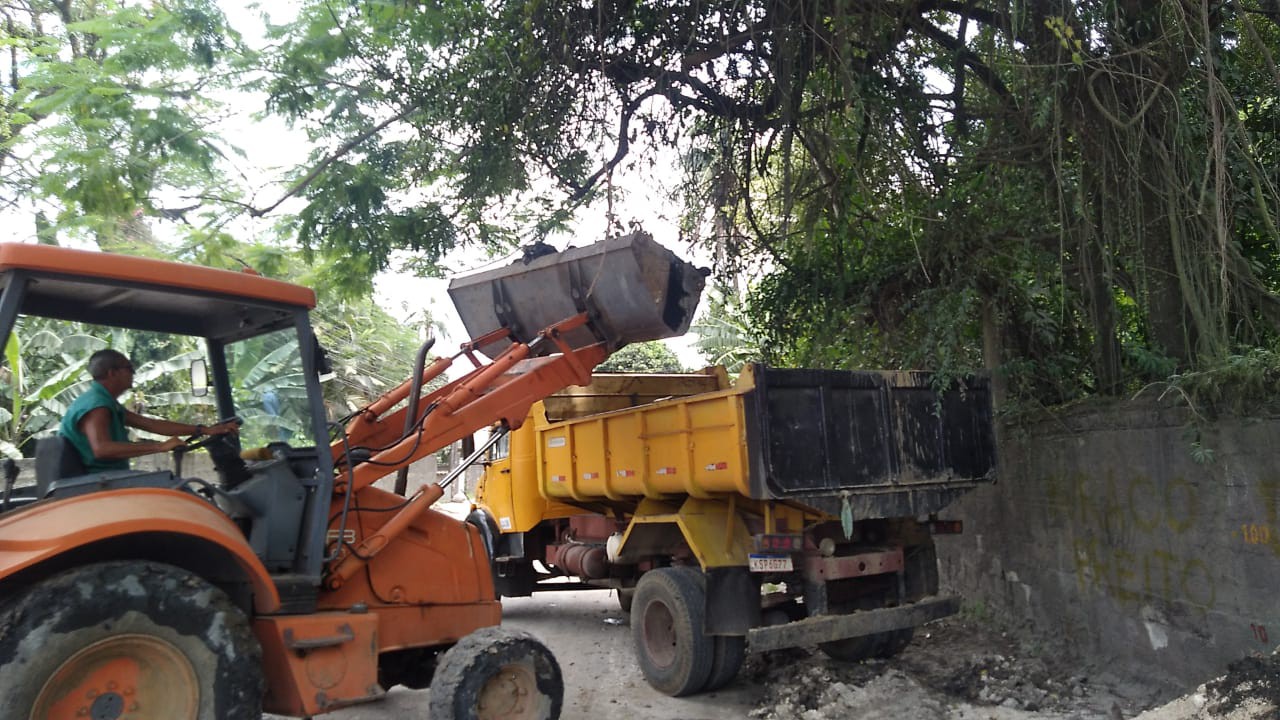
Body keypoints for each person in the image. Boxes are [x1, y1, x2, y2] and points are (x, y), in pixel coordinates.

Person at [59, 349, 238, 472]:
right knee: (177, 495)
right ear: (112, 373)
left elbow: (150, 424)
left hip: (108, 478)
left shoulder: (106, 402)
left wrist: (203, 430)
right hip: (100, 481)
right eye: (129, 369)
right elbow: (102, 449)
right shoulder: (97, 405)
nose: (134, 373)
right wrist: (160, 446)